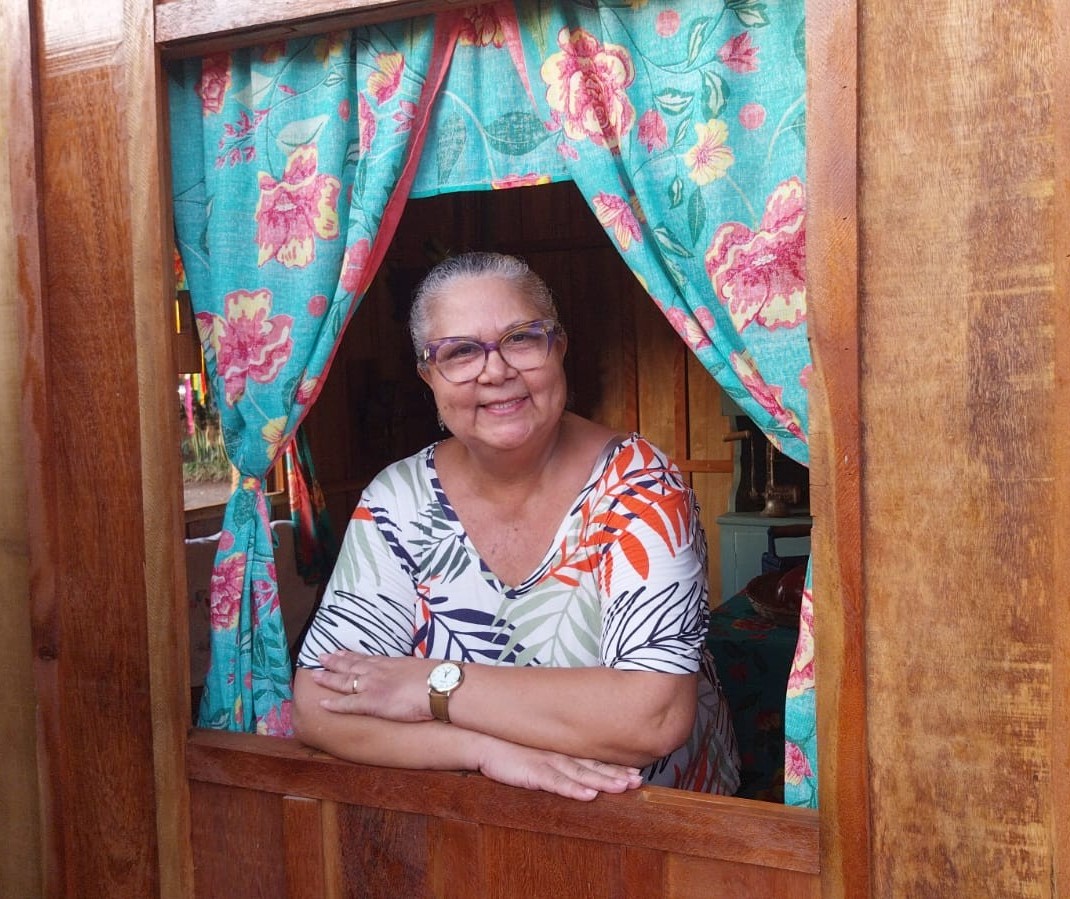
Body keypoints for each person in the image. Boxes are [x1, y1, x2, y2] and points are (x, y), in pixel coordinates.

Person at [292, 252, 739, 801]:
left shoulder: (640, 487)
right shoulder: (397, 500)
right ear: (428, 377)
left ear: (559, 348)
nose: (496, 370)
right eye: (458, 352)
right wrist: (486, 753)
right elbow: (318, 708)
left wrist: (430, 685)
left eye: (522, 339)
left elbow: (653, 716)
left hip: (654, 824)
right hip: (479, 816)